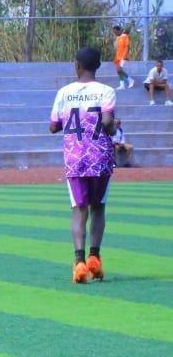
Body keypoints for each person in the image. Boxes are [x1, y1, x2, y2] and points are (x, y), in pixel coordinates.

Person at [49, 46, 116, 284]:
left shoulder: (64, 92)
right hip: (100, 158)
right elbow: (107, 122)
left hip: (75, 158)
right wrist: (115, 125)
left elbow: (53, 126)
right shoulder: (106, 91)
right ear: (98, 66)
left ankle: (78, 262)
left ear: (77, 65)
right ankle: (94, 258)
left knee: (79, 209)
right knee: (98, 207)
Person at [112, 26, 134, 90]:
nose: (115, 33)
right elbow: (117, 48)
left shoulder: (125, 36)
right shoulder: (117, 38)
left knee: (119, 70)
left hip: (123, 56)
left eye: (115, 32)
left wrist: (126, 55)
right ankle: (122, 85)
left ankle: (130, 80)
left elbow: (127, 46)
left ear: (119, 30)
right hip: (117, 56)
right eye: (114, 32)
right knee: (118, 71)